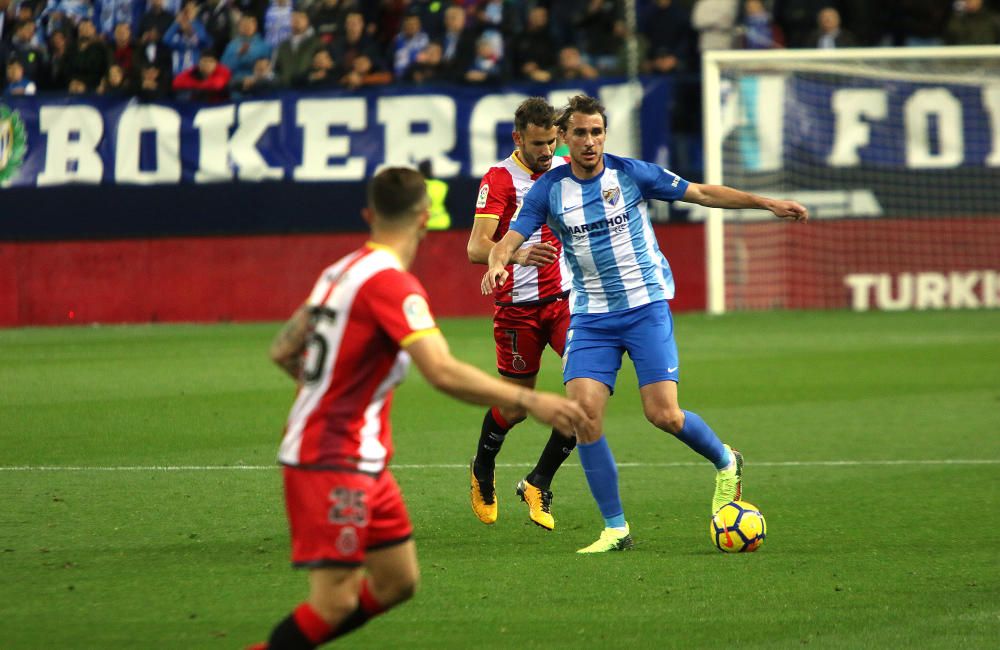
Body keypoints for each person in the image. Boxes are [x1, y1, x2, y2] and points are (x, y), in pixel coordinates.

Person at [248, 167, 583, 650]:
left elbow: (284, 350)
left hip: (363, 457)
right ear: (427, 218)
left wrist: (336, 390)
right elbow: (442, 372)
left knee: (398, 581)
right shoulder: (393, 285)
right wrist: (530, 399)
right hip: (332, 458)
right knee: (335, 603)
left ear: (369, 215)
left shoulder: (339, 270)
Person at [484, 95, 809, 553]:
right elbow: (507, 239)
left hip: (645, 307)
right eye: (579, 133)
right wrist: (501, 260)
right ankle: (615, 530)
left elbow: (700, 192)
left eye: (596, 132)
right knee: (584, 416)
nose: (590, 141)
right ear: (563, 138)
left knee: (663, 415)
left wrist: (765, 203)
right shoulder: (549, 190)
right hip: (592, 317)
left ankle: (725, 460)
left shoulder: (630, 174)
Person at [467, 97, 576, 531]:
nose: (548, 152)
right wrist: (517, 254)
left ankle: (538, 481)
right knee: (515, 408)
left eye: (552, 142)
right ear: (518, 139)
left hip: (567, 303)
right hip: (517, 311)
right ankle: (482, 468)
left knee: (587, 397)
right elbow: (476, 247)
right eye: (538, 144)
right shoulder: (499, 179)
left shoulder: (569, 168)